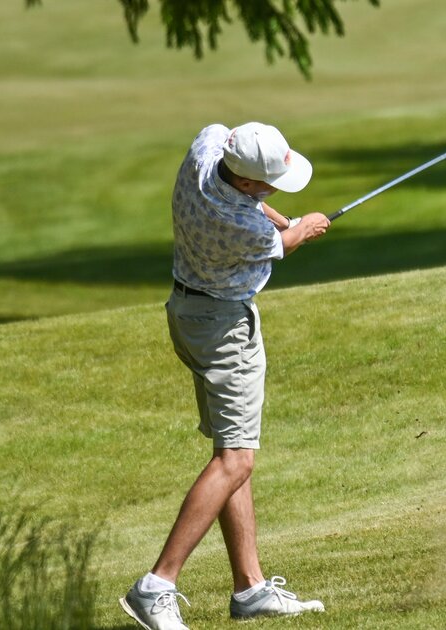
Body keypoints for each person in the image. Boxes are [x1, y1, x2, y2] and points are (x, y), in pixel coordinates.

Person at [120, 122, 332, 630]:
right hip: (223, 330)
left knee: (229, 449)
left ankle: (250, 588)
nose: (275, 190)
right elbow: (286, 242)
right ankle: (157, 585)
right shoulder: (245, 232)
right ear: (249, 184)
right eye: (271, 184)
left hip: (186, 312)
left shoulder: (208, 147)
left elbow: (253, 197)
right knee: (237, 461)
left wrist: (282, 215)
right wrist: (308, 224)